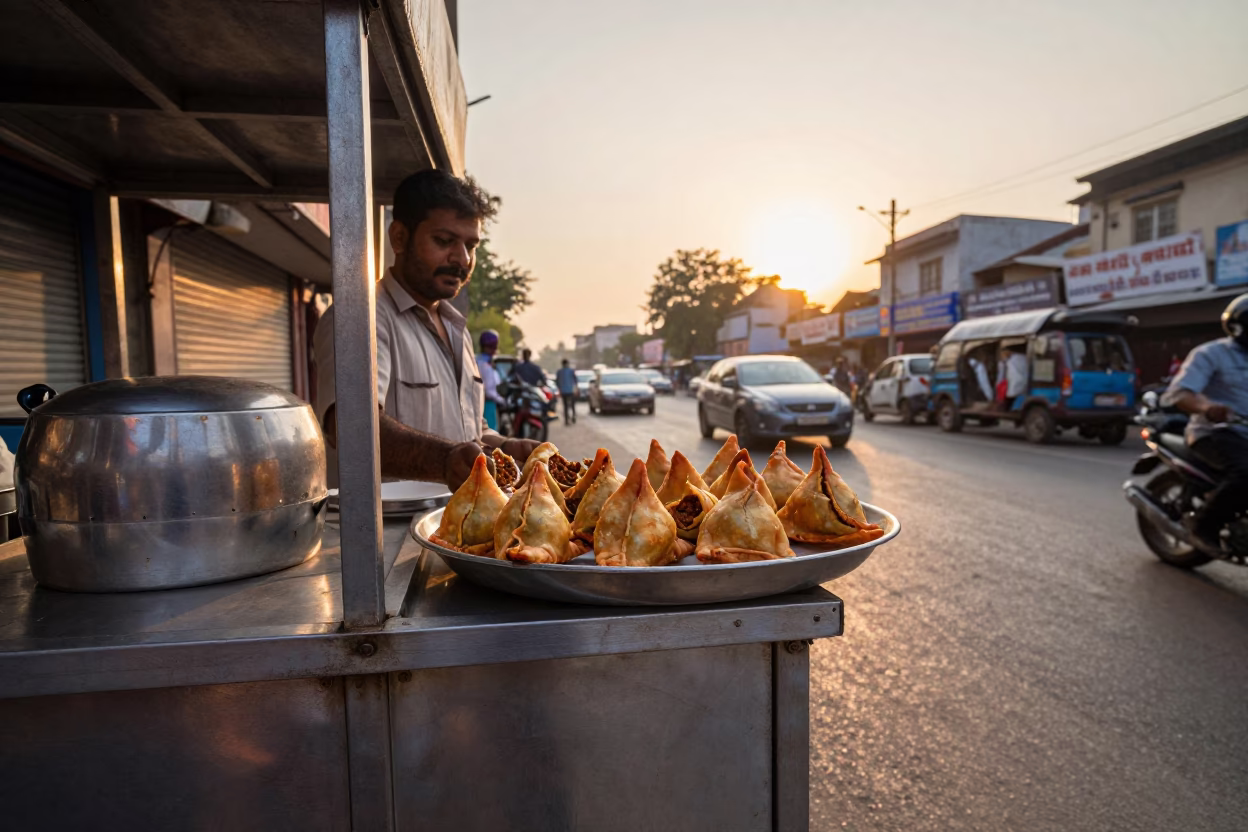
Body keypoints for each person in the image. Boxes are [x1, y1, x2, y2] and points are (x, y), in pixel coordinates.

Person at [313, 169, 539, 489]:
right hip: (386, 532)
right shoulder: (359, 320)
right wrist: (446, 460)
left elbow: (468, 431)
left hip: (451, 526)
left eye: (471, 246)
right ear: (400, 238)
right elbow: (354, 430)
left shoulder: (455, 327)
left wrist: (502, 446)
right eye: (444, 241)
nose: (462, 259)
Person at [1163, 293, 1248, 553]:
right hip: (1216, 433)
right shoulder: (1212, 353)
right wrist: (1207, 407)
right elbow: (1181, 393)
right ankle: (1202, 526)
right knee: (1247, 474)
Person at [476, 329, 507, 432]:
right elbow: (489, 391)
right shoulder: (485, 365)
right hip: (487, 403)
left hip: (477, 404)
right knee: (490, 434)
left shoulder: (478, 360)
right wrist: (502, 400)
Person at [555, 359, 578, 425]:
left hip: (564, 391)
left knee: (565, 406)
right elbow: (575, 380)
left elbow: (557, 382)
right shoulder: (571, 371)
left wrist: (559, 388)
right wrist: (576, 388)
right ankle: (573, 416)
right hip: (570, 390)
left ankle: (567, 420)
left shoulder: (560, 371)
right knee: (572, 405)